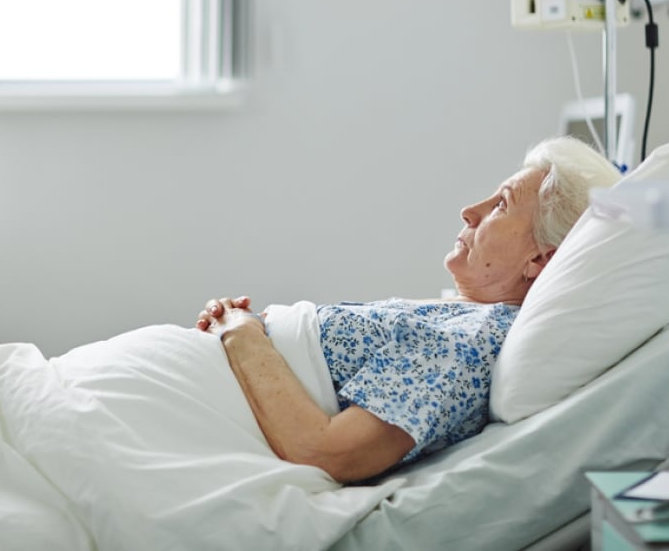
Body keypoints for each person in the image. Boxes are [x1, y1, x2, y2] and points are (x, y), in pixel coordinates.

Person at [195, 136, 621, 483]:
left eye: (501, 205)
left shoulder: (468, 342)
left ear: (539, 261)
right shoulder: (461, 319)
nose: (470, 211)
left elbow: (327, 451)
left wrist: (241, 332)